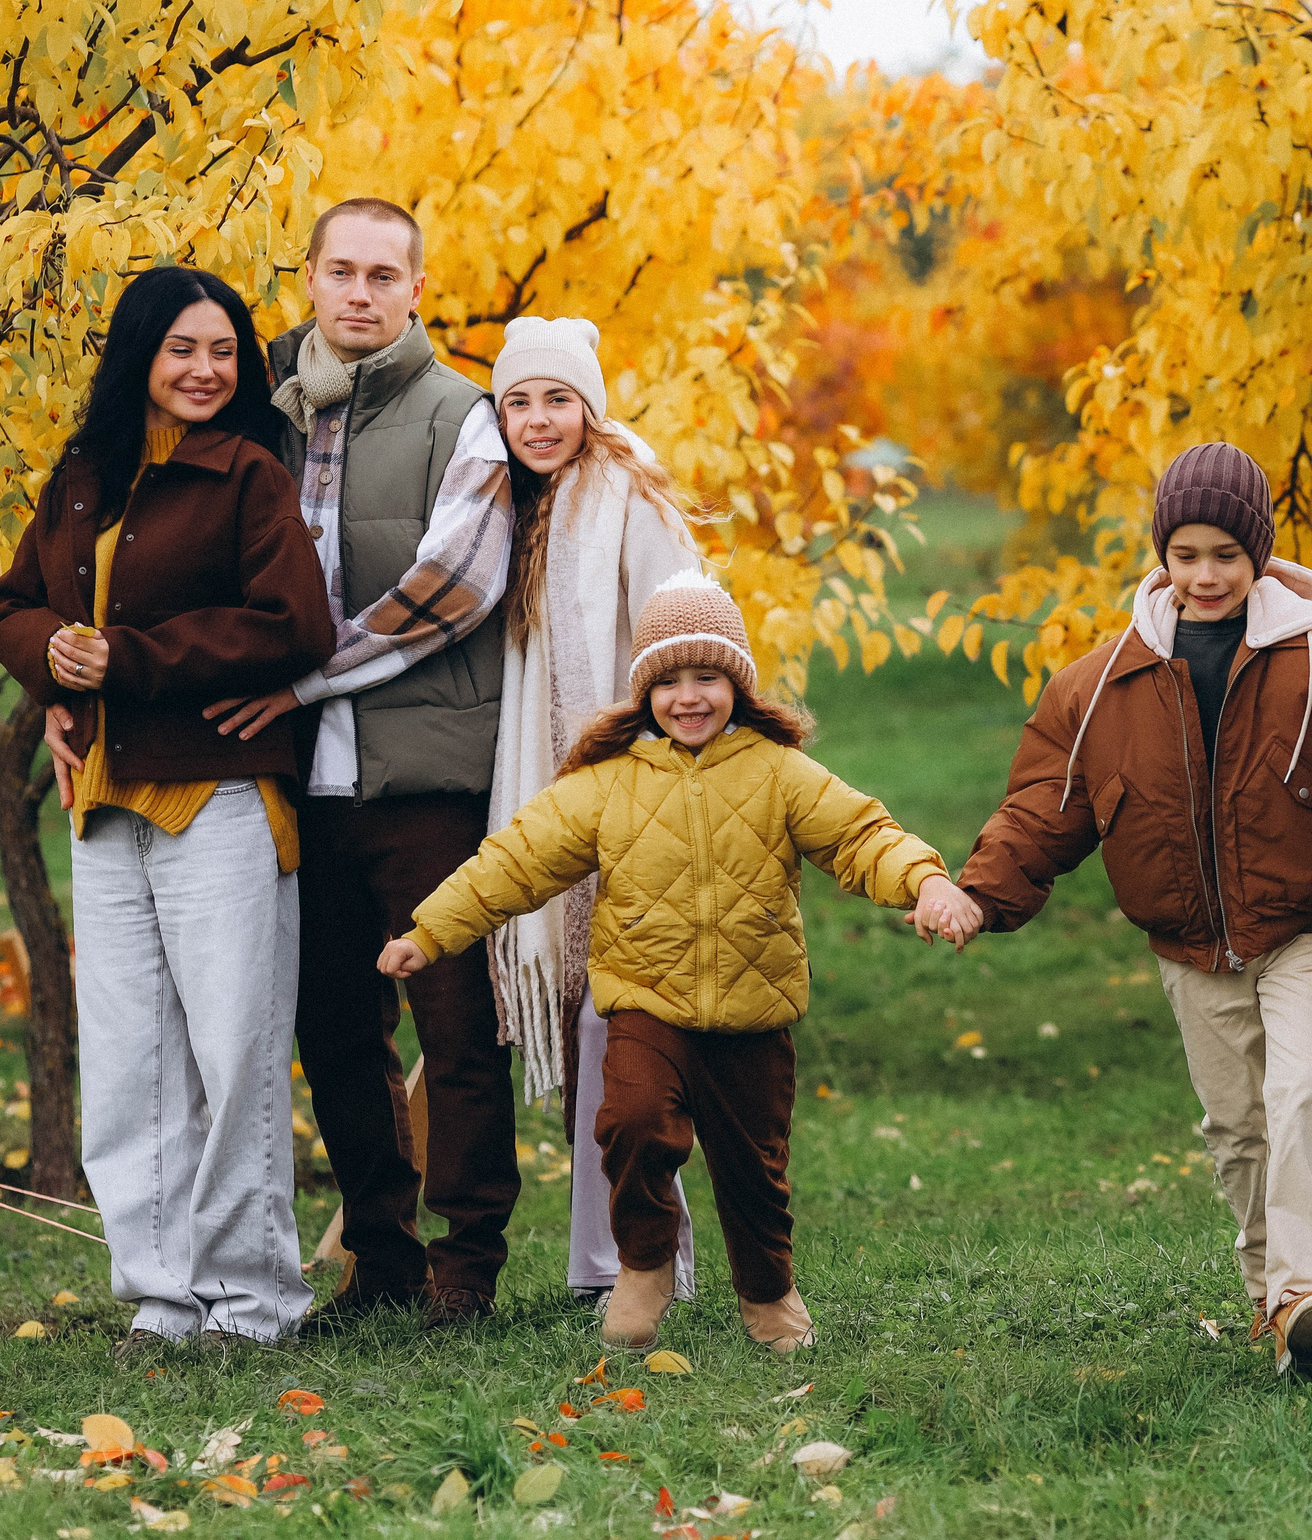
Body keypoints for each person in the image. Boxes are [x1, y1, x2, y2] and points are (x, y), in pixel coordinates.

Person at [958, 442, 1312, 1380]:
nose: (1205, 575)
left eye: (1226, 555)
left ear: (1258, 555)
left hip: (1301, 921)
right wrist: (978, 893)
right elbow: (1045, 804)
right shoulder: (1102, 680)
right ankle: (1272, 1295)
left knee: (1305, 1086)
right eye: (1185, 554)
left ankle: (1310, 1291)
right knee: (1237, 1127)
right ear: (1162, 555)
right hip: (1189, 941)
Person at [380, 571, 983, 1354]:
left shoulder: (779, 773)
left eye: (707, 676)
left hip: (753, 1011)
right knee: (629, 1125)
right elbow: (513, 863)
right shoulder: (606, 786)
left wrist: (928, 882)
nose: (688, 697)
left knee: (754, 1170)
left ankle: (768, 1292)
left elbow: (861, 836)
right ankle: (643, 1265)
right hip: (645, 1003)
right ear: (644, 694)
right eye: (668, 680)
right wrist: (430, 932)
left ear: (738, 683)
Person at [0, 266, 333, 1354]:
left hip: (220, 796)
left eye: (223, 350)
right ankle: (161, 1297)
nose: (205, 369)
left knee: (232, 1053)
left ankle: (253, 1299)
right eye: (183, 348)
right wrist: (51, 661)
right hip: (102, 801)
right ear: (140, 355)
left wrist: (125, 659)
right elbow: (10, 604)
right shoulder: (84, 475)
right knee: (132, 1060)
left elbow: (295, 626)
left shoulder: (251, 478)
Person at [204, 198, 520, 1330]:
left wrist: (292, 675)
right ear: (309, 278)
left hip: (423, 778)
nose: (361, 294)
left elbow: (455, 589)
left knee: (456, 1023)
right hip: (294, 782)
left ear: (417, 291)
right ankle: (378, 1260)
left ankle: (465, 1264)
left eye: (385, 276)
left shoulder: (461, 415)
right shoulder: (261, 417)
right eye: (342, 272)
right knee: (333, 1027)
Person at [482, 315, 702, 1308]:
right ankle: (602, 1261)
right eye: (518, 400)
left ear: (590, 406)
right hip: (565, 804)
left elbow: (678, 629)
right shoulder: (522, 505)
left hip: (640, 790)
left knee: (630, 1027)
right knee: (588, 1026)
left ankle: (646, 1259)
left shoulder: (627, 488)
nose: (538, 418)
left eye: (557, 398)